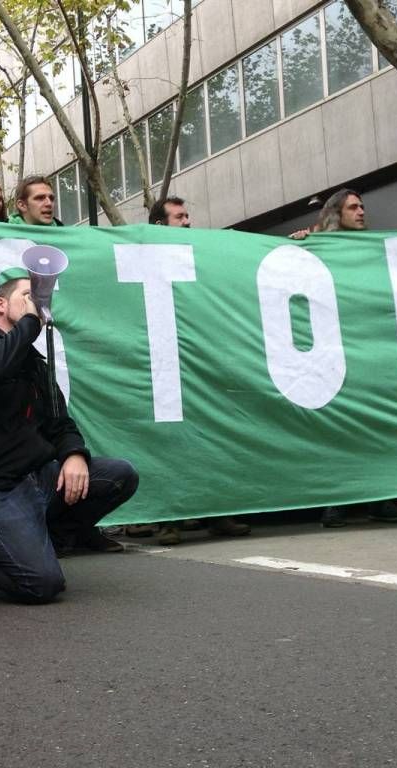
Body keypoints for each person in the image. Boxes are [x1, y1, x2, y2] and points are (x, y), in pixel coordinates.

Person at [0, 278, 139, 601]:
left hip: (40, 478)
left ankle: (50, 539)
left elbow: (60, 423)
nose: (38, 301)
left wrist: (74, 456)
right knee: (42, 585)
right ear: (1, 305)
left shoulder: (34, 364)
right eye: (28, 295)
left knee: (120, 476)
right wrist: (31, 320)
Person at [291, 188, 397, 528]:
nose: (361, 212)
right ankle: (336, 502)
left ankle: (379, 499)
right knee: (337, 430)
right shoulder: (315, 247)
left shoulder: (371, 249)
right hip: (330, 354)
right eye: (353, 207)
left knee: (374, 426)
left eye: (362, 207)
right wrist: (298, 243)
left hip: (368, 352)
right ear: (335, 214)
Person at [147, 196, 251, 546]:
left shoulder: (200, 254)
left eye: (189, 215)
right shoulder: (139, 253)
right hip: (160, 363)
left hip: (198, 361)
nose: (188, 222)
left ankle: (217, 511)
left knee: (210, 437)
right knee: (168, 443)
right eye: (180, 217)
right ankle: (168, 519)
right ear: (160, 225)